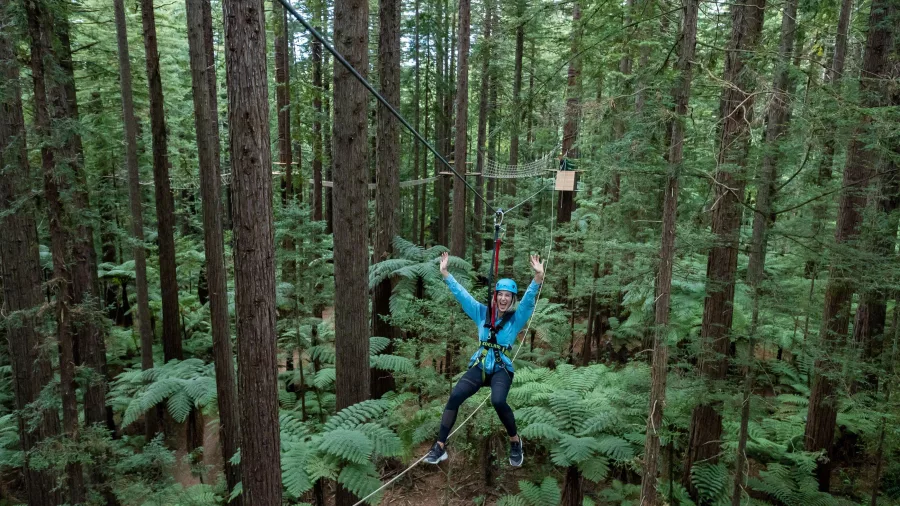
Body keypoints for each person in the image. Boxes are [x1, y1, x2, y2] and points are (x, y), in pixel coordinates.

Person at [424, 251, 545, 467]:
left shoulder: (515, 319)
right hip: (480, 366)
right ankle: (440, 446)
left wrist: (538, 278)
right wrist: (445, 273)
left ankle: (515, 442)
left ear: (511, 299)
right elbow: (462, 295)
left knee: (498, 401)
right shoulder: (481, 313)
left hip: (501, 369)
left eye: (508, 295)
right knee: (454, 397)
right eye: (501, 294)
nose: (504, 298)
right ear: (495, 296)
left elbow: (528, 300)